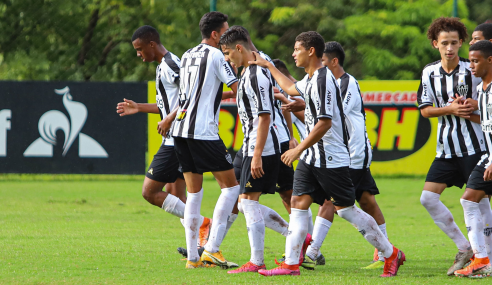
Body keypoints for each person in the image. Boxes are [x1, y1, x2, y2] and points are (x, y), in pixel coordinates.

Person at [250, 31, 405, 277]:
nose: (293, 54)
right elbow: (290, 87)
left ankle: (390, 253)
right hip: (312, 158)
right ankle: (291, 264)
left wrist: (298, 149)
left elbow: (324, 123)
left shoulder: (323, 80)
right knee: (298, 204)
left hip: (331, 158)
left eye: (297, 49)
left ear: (311, 51)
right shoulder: (310, 78)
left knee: (346, 210)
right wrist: (268, 65)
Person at [115, 25, 211, 248]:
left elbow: (192, 94)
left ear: (151, 44)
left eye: (139, 49)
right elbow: (167, 105)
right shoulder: (161, 67)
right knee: (174, 193)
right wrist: (138, 107)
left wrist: (169, 120)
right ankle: (199, 245)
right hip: (176, 137)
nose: (139, 55)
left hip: (177, 138)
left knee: (149, 192)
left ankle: (202, 222)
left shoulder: (171, 64)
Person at [168, 11, 240, 269]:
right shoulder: (218, 55)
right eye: (225, 33)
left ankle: (192, 258)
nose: (227, 39)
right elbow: (236, 87)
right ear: (215, 34)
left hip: (181, 130)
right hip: (203, 131)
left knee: (193, 193)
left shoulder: (187, 54)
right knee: (231, 188)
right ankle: (212, 249)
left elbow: (195, 93)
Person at [417, 17, 487, 275]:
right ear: (435, 44)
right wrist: (451, 109)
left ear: (462, 44)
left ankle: (484, 258)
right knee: (428, 198)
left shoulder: (474, 70)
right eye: (444, 43)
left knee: (479, 202)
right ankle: (465, 247)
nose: (449, 48)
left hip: (474, 146)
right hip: (446, 149)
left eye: (454, 43)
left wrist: (473, 107)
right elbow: (425, 111)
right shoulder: (428, 72)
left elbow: (487, 102)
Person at [218, 27, 291, 274]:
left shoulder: (256, 74)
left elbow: (264, 116)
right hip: (253, 146)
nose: (227, 59)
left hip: (260, 147)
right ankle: (295, 235)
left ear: (240, 48)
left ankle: (259, 259)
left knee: (248, 201)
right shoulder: (251, 73)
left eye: (228, 53)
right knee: (245, 200)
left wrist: (258, 154)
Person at [454, 40, 492, 278]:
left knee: (470, 200)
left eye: (476, 61)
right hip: (487, 155)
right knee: (469, 199)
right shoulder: (482, 89)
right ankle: (481, 259)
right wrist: (470, 112)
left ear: (490, 60)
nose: (472, 66)